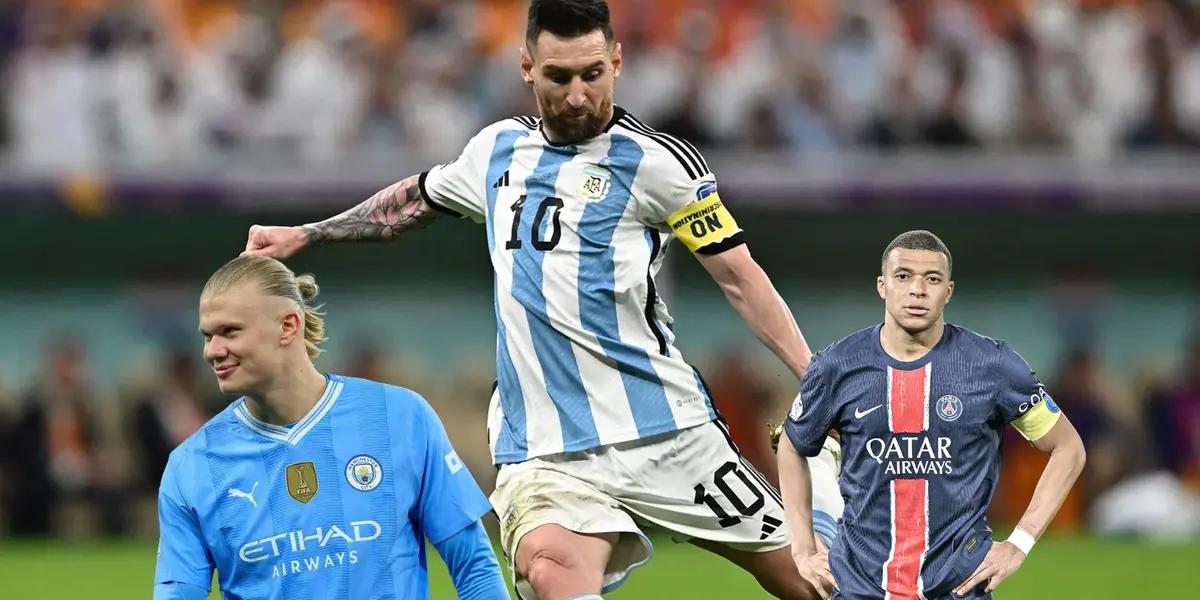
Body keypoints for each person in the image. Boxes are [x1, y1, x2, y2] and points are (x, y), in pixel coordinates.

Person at [242, 2, 842, 598]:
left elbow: (740, 276)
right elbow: (415, 200)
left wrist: (817, 381)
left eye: (592, 75)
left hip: (667, 430)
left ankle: (825, 489)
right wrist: (311, 233)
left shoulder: (660, 165)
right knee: (551, 571)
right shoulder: (497, 151)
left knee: (816, 583)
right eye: (558, 77)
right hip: (544, 449)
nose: (578, 95)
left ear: (617, 61)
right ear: (527, 67)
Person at [153, 256, 508, 600]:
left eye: (229, 332)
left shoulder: (400, 417)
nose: (212, 351)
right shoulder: (192, 464)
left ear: (288, 326)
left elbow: (473, 566)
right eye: (207, 336)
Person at [778, 230, 1087, 599]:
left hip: (958, 588)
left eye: (932, 279)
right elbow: (793, 445)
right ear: (882, 285)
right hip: (860, 587)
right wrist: (802, 549)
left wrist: (1019, 542)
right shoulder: (837, 366)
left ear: (949, 291)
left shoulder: (992, 365)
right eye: (903, 276)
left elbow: (1068, 448)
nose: (917, 290)